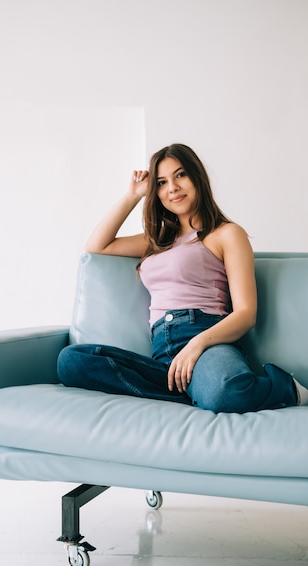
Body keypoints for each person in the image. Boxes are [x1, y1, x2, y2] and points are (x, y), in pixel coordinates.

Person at [57, 144, 308, 413]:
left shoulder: (226, 234)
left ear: (197, 177)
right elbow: (98, 245)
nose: (172, 188)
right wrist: (133, 195)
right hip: (162, 354)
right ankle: (192, 391)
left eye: (180, 175)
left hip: (208, 341)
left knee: (224, 392)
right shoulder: (157, 241)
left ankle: (285, 388)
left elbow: (246, 313)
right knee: (71, 360)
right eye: (162, 183)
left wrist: (196, 344)